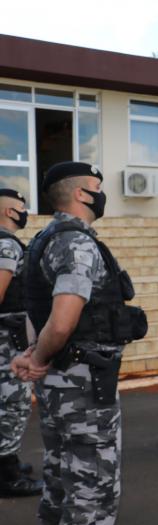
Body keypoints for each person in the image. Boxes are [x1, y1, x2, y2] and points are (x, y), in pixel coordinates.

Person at [13, 161, 148, 525]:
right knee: (93, 480)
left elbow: (35, 308)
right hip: (83, 381)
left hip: (64, 376)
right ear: (80, 194)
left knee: (62, 471)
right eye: (96, 186)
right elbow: (63, 318)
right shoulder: (75, 241)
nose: (101, 193)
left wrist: (32, 353)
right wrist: (38, 356)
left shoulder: (43, 238)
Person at [0, 188, 43, 497]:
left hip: (9, 336)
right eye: (21, 207)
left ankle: (9, 461)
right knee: (11, 405)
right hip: (7, 340)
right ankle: (7, 476)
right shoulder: (6, 245)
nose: (25, 212)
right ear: (9, 212)